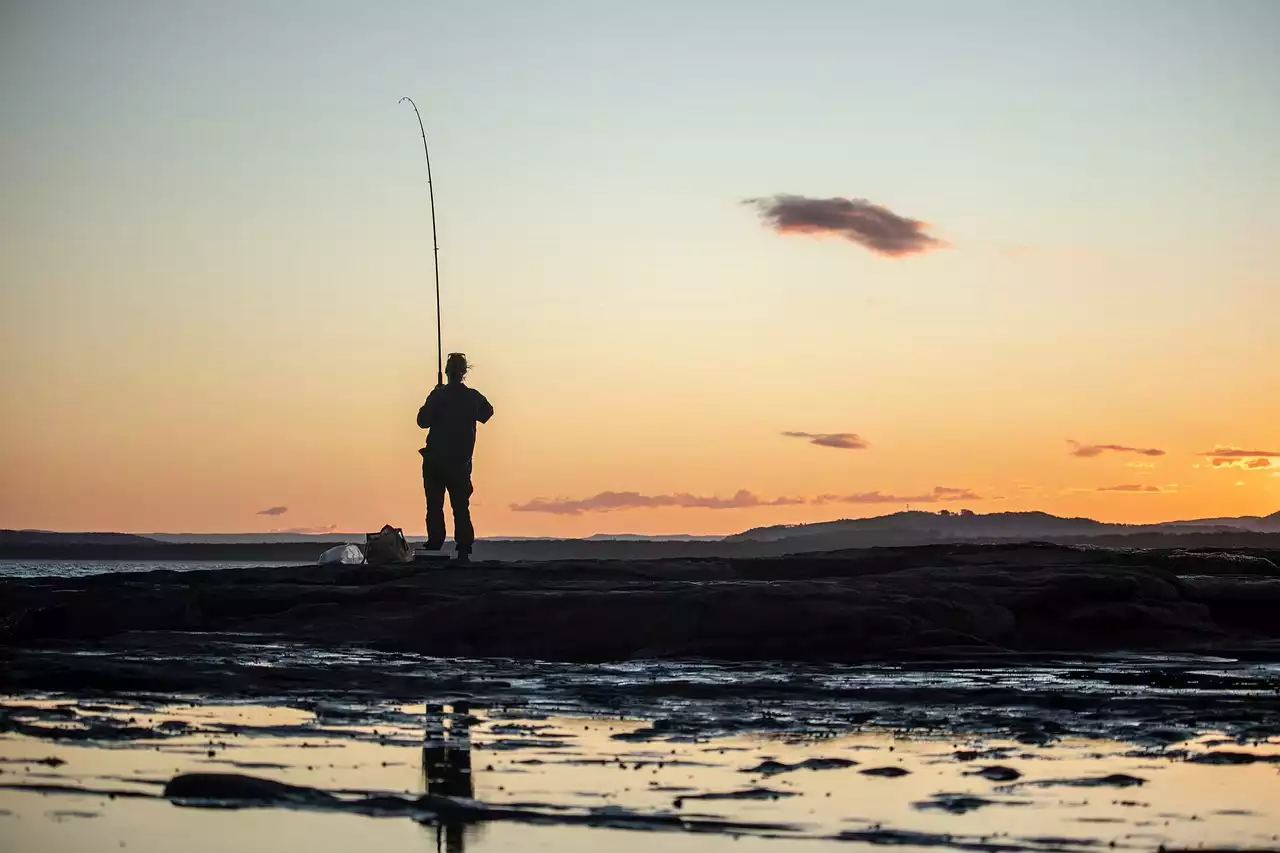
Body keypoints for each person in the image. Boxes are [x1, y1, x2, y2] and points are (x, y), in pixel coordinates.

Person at [417, 353, 493, 562]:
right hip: (459, 462)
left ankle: (435, 543)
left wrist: (435, 394)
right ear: (464, 373)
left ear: (448, 371)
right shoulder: (473, 397)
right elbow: (487, 413)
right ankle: (464, 548)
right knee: (460, 506)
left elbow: (422, 421)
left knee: (434, 505)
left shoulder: (438, 396)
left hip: (435, 461)